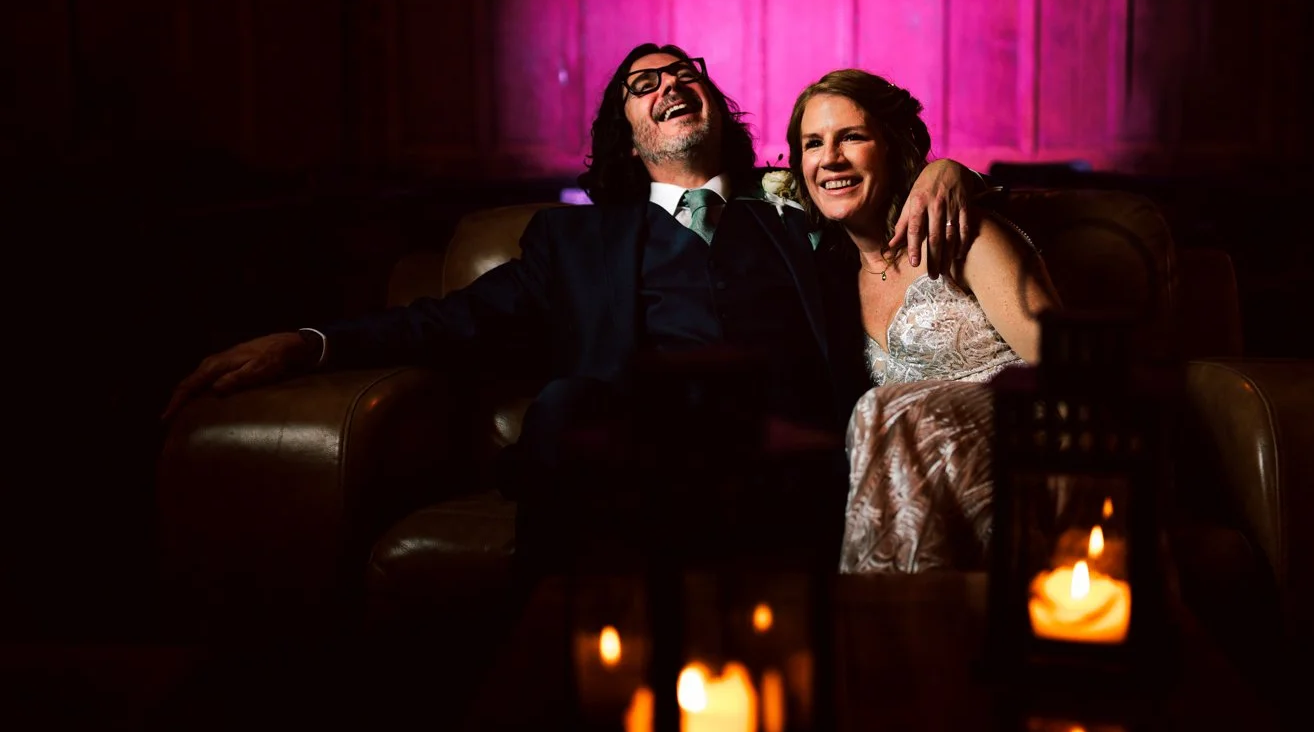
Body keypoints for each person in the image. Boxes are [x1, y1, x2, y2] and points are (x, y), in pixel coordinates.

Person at [163, 44, 985, 574]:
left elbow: (896, 202)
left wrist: (951, 172)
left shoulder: (798, 211)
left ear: (714, 105)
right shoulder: (574, 242)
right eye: (644, 85)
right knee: (562, 405)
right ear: (628, 136)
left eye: (685, 74)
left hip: (789, 458)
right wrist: (307, 342)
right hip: (639, 459)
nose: (670, 86)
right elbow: (444, 321)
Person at [785, 69, 1061, 572]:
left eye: (852, 137)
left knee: (881, 410)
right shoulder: (828, 278)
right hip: (922, 483)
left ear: (892, 147)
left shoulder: (962, 235)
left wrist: (955, 172)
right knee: (876, 419)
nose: (830, 158)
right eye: (813, 143)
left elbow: (1070, 364)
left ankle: (877, 614)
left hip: (1025, 447)